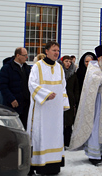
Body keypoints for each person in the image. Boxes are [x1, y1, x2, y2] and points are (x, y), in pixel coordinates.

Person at [69, 45, 102, 166]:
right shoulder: (92, 69)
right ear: (99, 57)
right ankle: (95, 155)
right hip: (98, 104)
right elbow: (92, 82)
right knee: (96, 128)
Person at [27, 41, 68, 175]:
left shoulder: (59, 68)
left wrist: (63, 103)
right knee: (40, 135)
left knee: (55, 135)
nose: (57, 53)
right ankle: (39, 165)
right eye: (54, 50)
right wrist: (46, 95)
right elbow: (32, 84)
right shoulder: (37, 67)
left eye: (58, 50)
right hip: (42, 109)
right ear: (47, 51)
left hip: (55, 111)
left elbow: (63, 87)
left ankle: (54, 165)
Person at [0, 47, 31, 129]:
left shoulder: (27, 68)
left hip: (25, 104)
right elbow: (2, 85)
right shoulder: (7, 68)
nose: (26, 57)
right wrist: (11, 99)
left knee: (24, 127)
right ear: (18, 55)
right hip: (12, 105)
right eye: (24, 55)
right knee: (12, 128)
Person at [60, 55, 79, 148]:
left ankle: (67, 141)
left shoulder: (73, 74)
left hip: (70, 99)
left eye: (70, 62)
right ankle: (60, 141)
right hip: (60, 99)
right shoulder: (59, 72)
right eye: (66, 61)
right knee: (60, 121)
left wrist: (75, 99)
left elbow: (76, 88)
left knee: (68, 122)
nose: (68, 63)